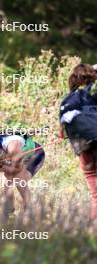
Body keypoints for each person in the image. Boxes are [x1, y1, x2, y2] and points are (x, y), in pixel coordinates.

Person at [59, 64, 97, 219]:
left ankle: (94, 232)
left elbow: (61, 134)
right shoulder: (92, 93)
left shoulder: (66, 101)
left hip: (82, 148)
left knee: (96, 196)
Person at [0, 133, 45, 211]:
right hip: (16, 157)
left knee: (19, 180)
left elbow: (16, 170)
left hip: (35, 154)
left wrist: (1, 166)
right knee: (8, 182)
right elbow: (7, 173)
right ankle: (10, 211)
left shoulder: (12, 147)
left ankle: (30, 210)